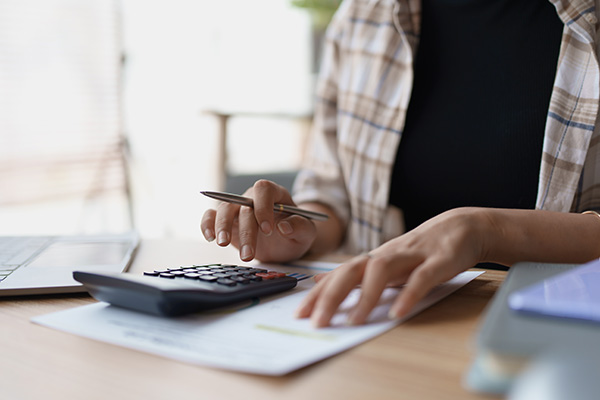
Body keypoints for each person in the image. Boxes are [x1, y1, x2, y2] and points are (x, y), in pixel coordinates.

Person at [201, 0, 600, 328]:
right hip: (389, 326)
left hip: (560, 334)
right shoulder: (363, 15)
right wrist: (294, 228)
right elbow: (332, 198)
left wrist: (485, 231)